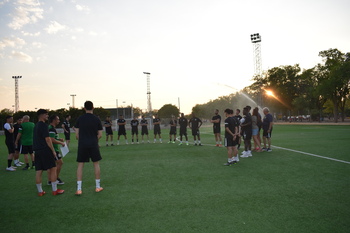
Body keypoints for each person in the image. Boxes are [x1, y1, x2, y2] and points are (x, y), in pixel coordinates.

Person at [74, 101, 103, 196]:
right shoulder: (96, 119)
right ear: (93, 107)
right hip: (93, 144)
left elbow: (77, 135)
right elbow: (100, 135)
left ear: (84, 108)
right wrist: (94, 139)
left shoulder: (80, 118)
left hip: (82, 144)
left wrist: (83, 138)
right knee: (96, 164)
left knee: (80, 165)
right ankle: (98, 187)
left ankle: (79, 189)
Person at [33, 109, 64, 196]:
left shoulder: (36, 126)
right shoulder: (44, 125)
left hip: (37, 151)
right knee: (53, 168)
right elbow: (48, 139)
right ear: (41, 115)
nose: (47, 116)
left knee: (39, 171)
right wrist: (53, 151)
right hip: (45, 150)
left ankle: (40, 191)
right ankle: (54, 190)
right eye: (46, 114)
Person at [47, 115, 66, 185]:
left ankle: (50, 180)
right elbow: (51, 140)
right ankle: (55, 178)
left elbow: (52, 138)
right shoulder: (51, 129)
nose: (59, 121)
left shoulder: (50, 128)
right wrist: (61, 143)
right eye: (58, 119)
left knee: (51, 165)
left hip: (50, 149)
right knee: (60, 162)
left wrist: (59, 139)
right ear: (54, 120)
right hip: (53, 149)